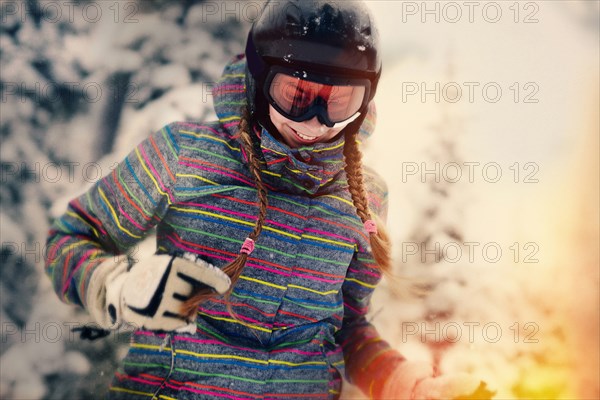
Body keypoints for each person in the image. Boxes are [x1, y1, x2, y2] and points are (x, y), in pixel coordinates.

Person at [45, 1, 492, 399]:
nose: (315, 122)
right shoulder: (186, 155)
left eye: (338, 102)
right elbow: (70, 240)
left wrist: (404, 384)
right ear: (260, 79)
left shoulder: (365, 198)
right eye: (296, 96)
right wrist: (115, 286)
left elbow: (346, 329)